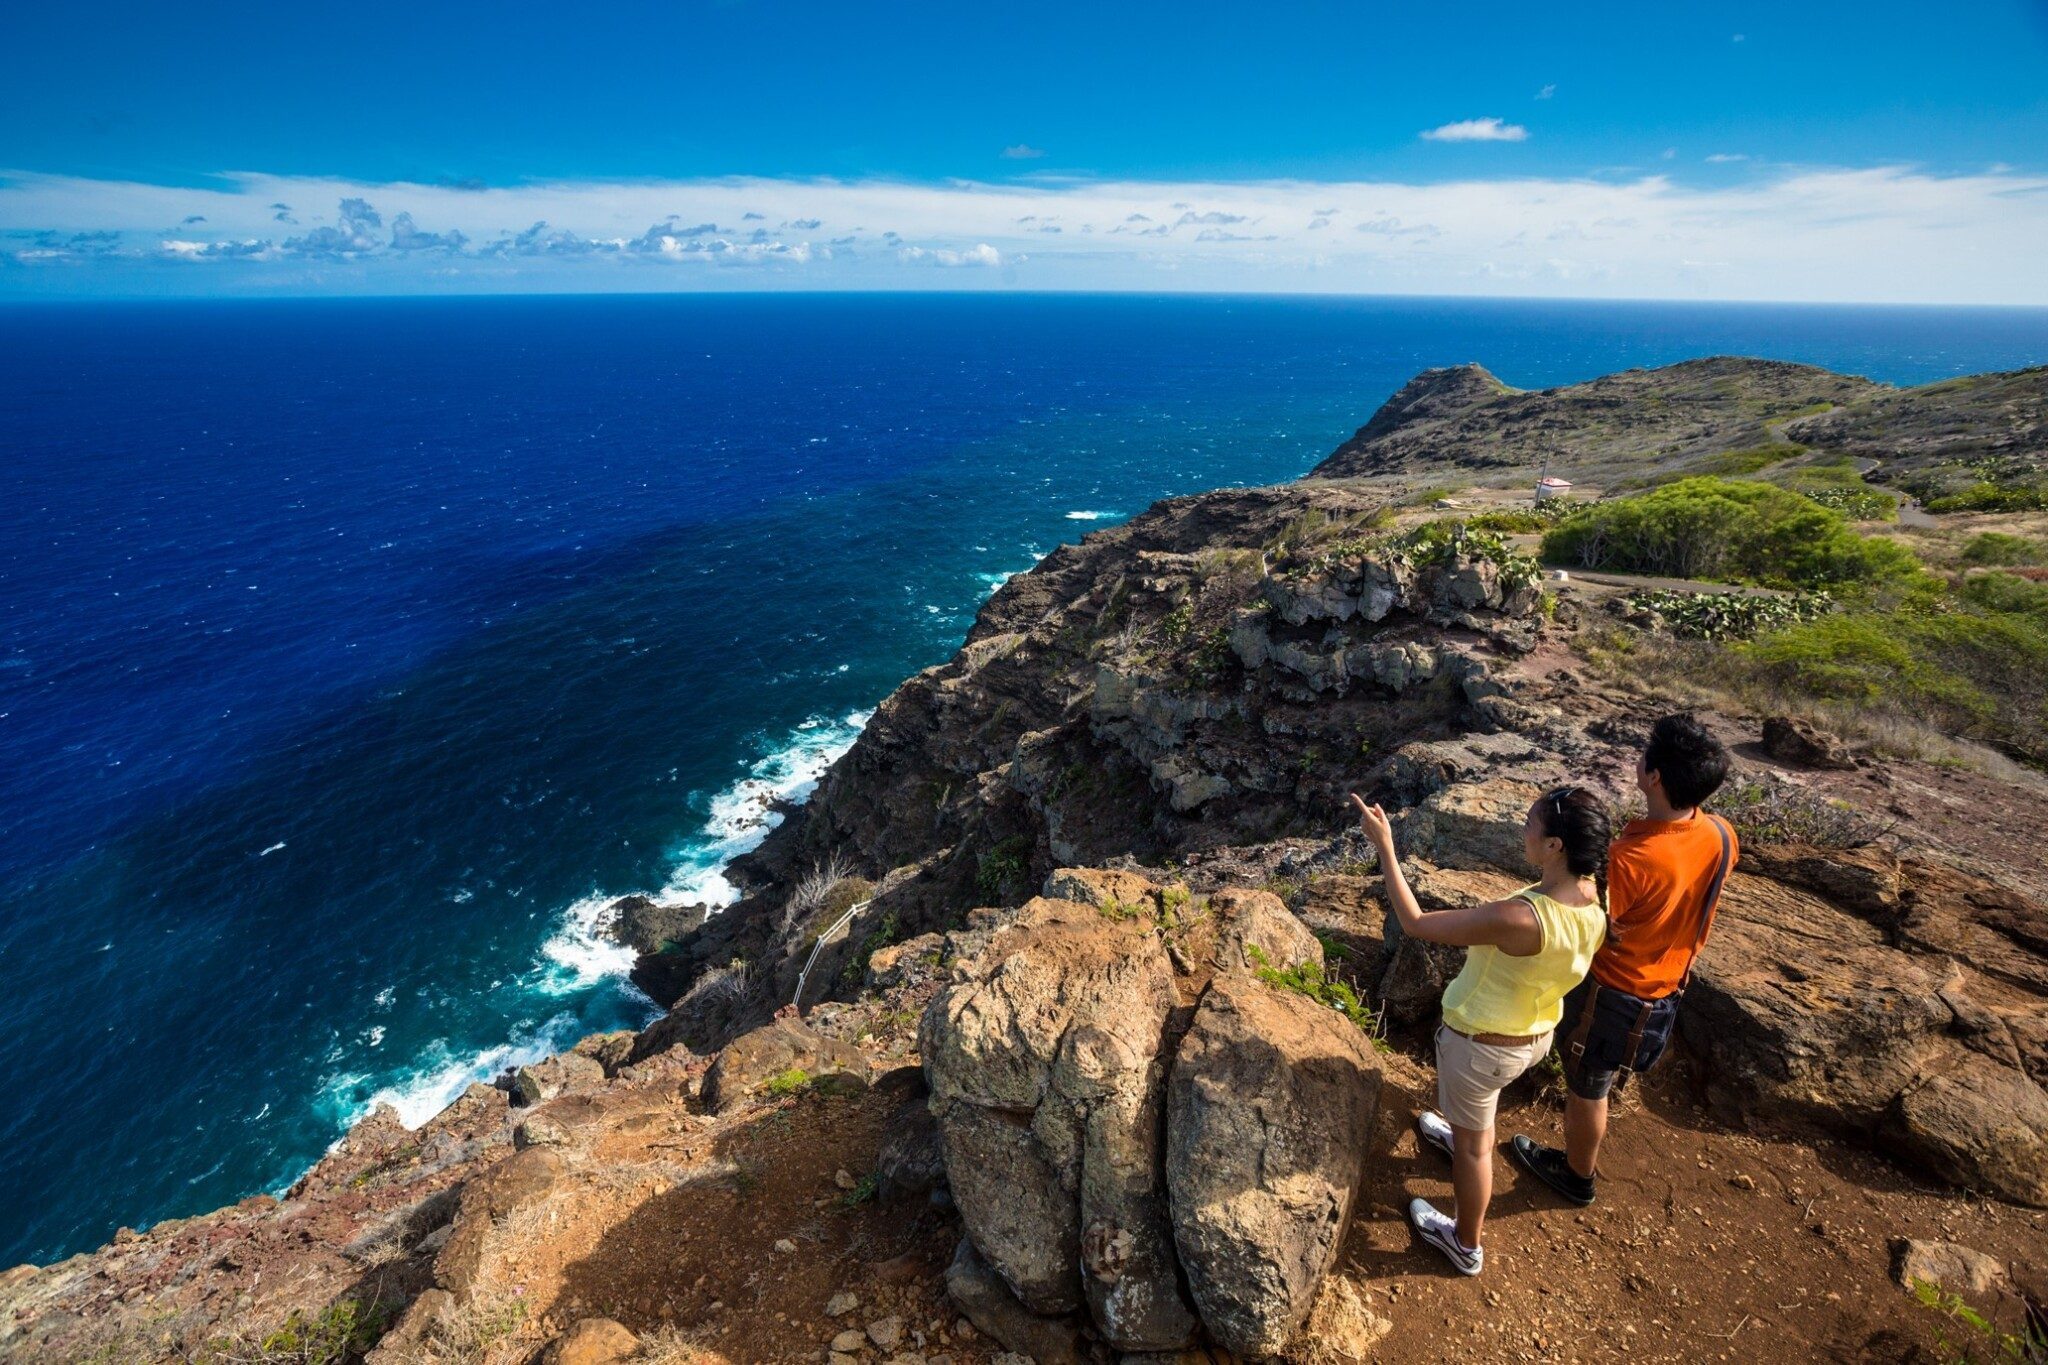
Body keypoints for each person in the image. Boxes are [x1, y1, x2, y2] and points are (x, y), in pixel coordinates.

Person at [1352, 785, 1611, 1276]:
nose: (1525, 828)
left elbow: (1415, 922)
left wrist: (1385, 847)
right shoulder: (1593, 896)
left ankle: (1465, 1244)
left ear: (1556, 846)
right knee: (1475, 1118)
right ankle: (1459, 1134)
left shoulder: (1518, 918)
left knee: (1476, 1149)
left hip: (1481, 1047)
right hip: (1534, 1036)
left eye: (1533, 822)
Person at [1510, 713, 1736, 1207]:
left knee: (1589, 1086)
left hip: (1613, 995)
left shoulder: (1633, 860)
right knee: (1600, 1078)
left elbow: (1589, 921)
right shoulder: (1720, 834)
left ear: (1653, 776)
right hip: (1667, 986)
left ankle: (1576, 1175)